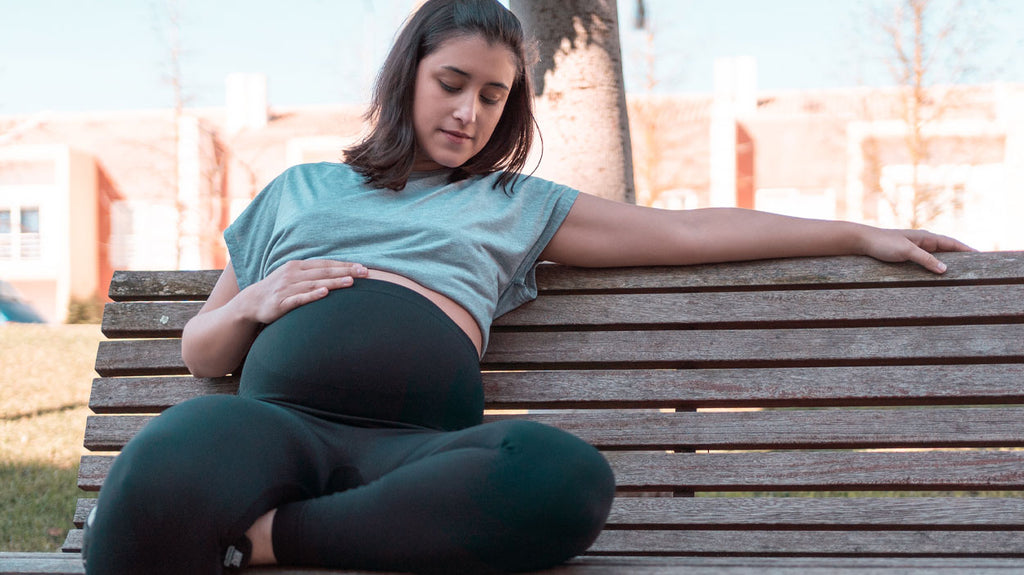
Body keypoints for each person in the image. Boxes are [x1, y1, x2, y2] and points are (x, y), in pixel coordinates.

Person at [82, 0, 972, 573]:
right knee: (140, 500)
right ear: (408, 78)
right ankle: (315, 523)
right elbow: (202, 352)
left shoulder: (513, 204)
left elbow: (687, 228)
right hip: (272, 428)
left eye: (496, 97)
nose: (469, 113)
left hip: (416, 451)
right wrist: (249, 304)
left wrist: (859, 229)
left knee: (563, 478)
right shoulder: (298, 190)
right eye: (452, 84)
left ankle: (271, 541)